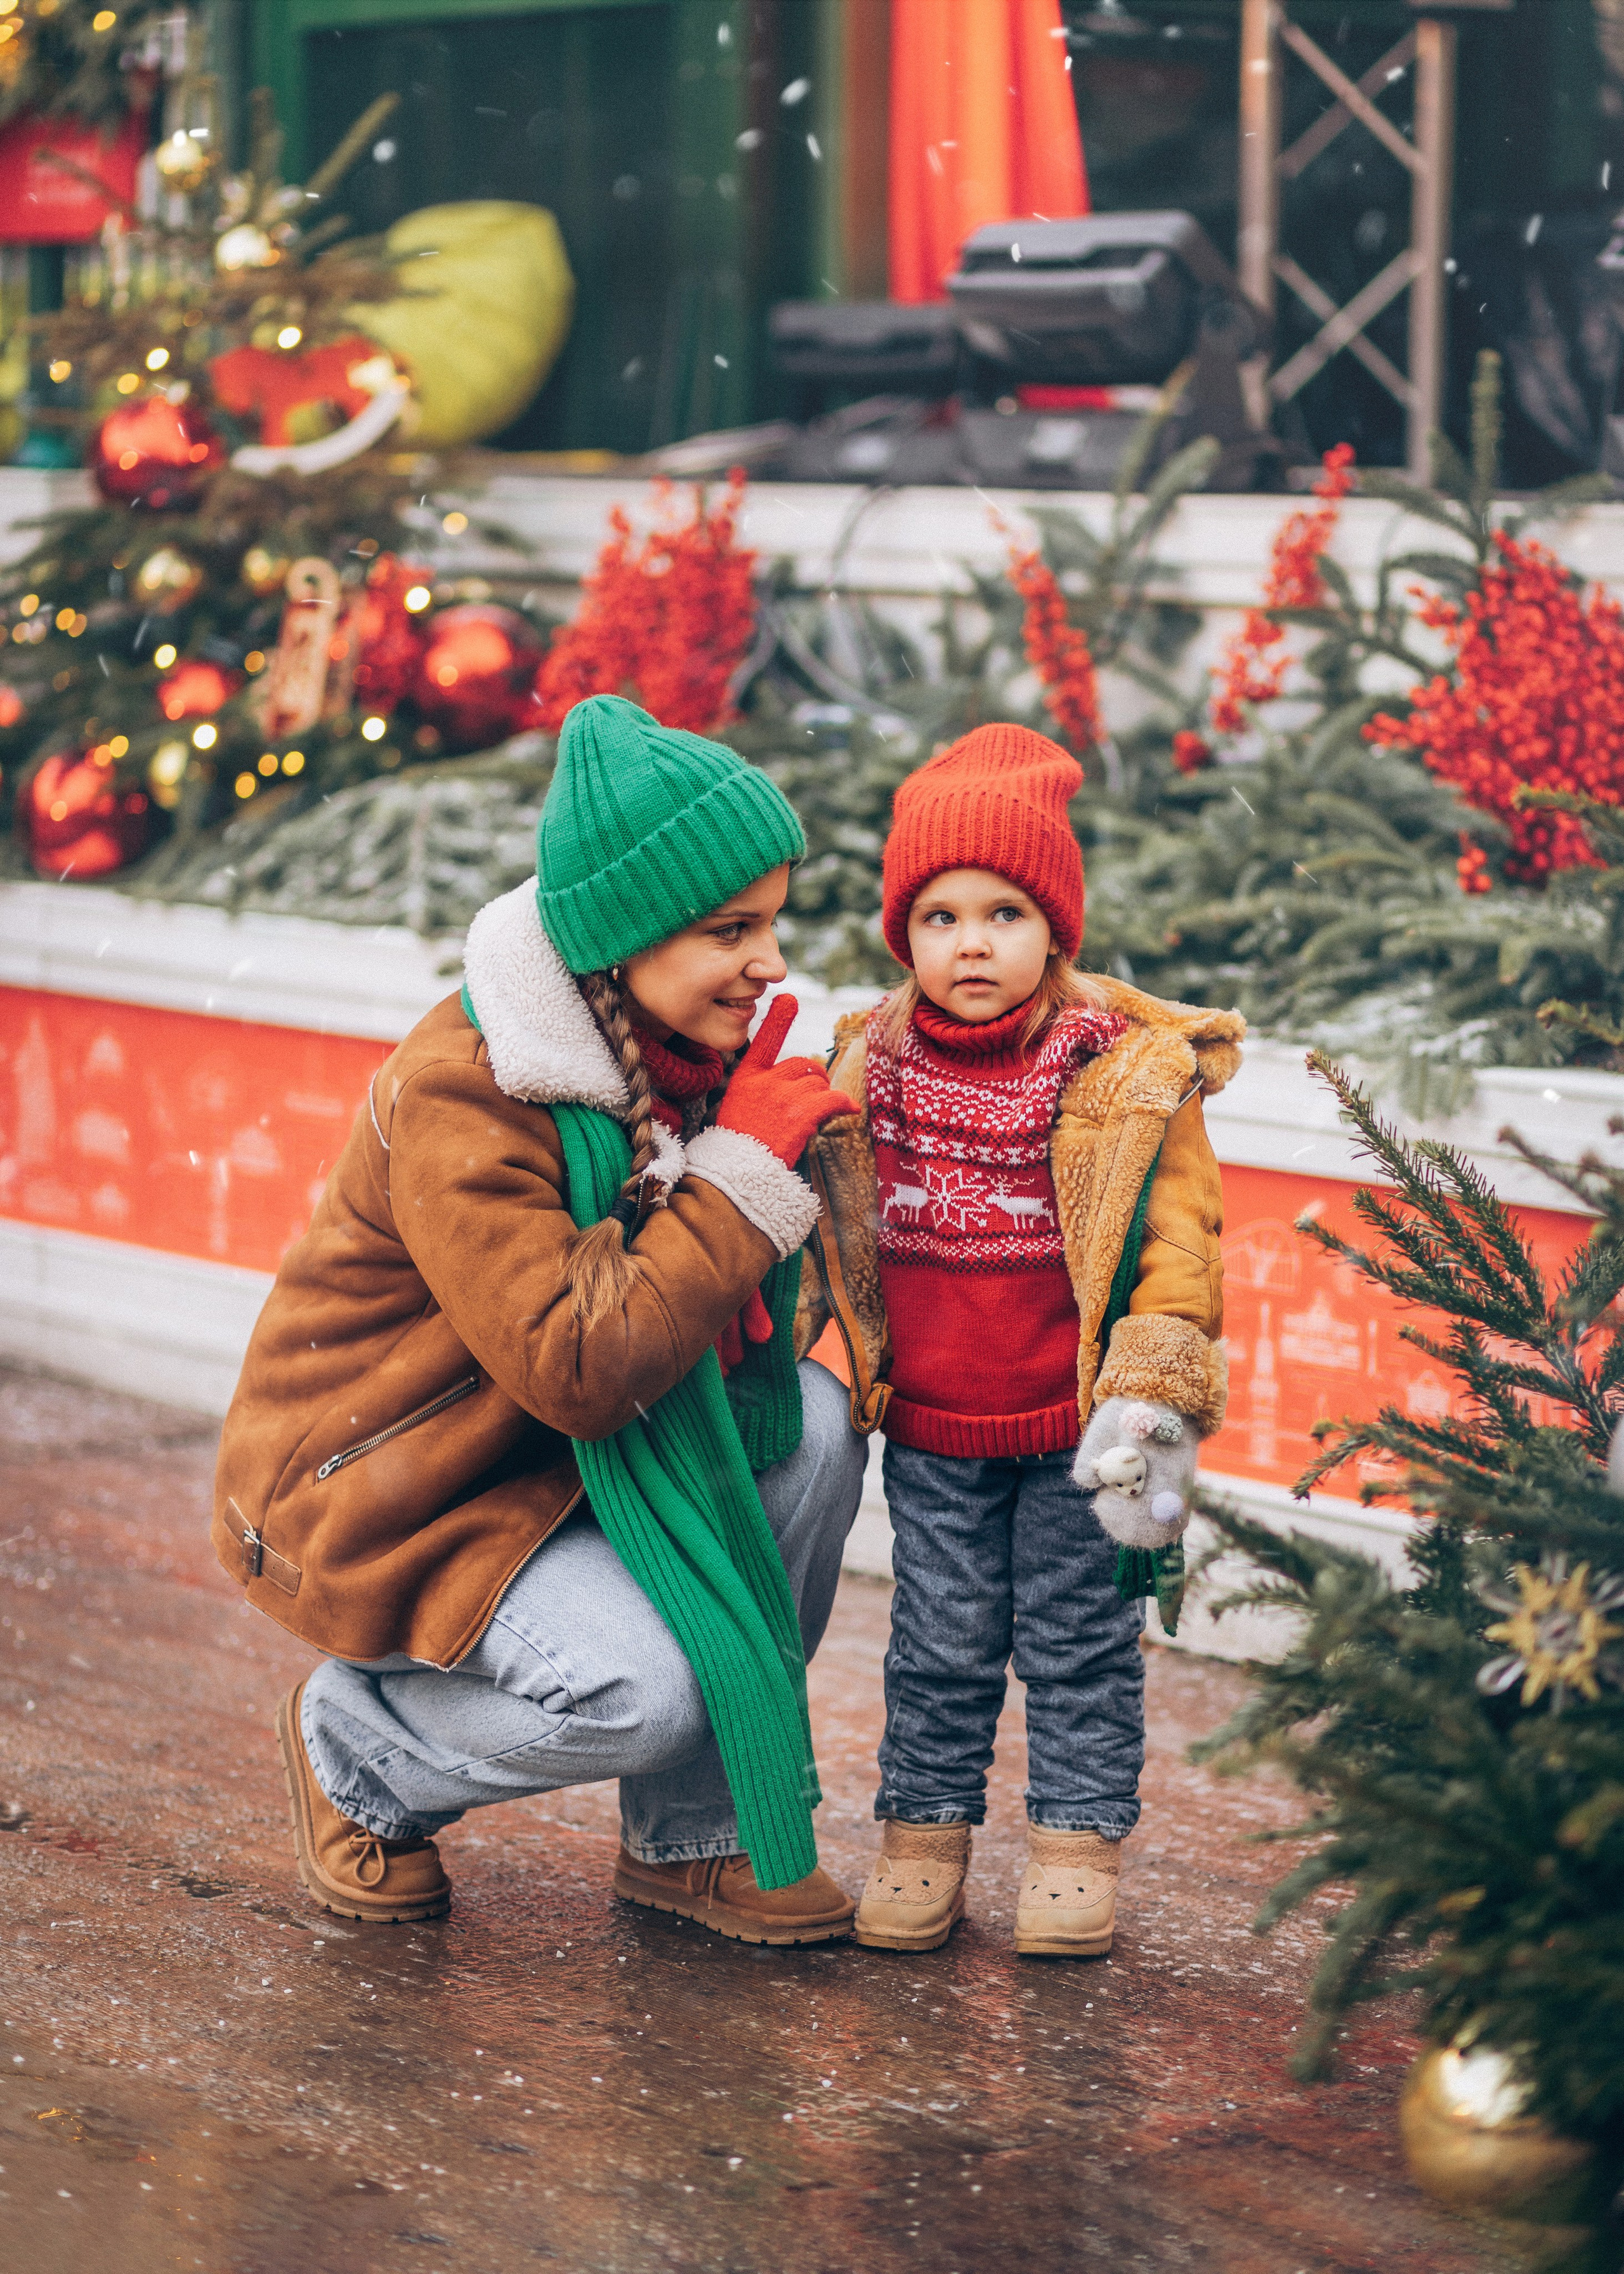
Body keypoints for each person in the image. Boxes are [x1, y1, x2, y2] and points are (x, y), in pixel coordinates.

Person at [213, 694, 866, 1943]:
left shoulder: (675, 1053)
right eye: (730, 930)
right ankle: (358, 1749)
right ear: (621, 938)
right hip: (404, 1493)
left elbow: (706, 1319)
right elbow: (577, 1362)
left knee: (816, 1425)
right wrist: (735, 1180)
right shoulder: (474, 1090)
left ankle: (696, 1840)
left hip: (565, 1467)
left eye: (771, 924)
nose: (769, 961)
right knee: (643, 1690)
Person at [796, 723, 1245, 1957]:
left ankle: (1071, 1844)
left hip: (1077, 1427)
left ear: (1054, 927)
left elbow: (1176, 1246)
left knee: (1079, 1642)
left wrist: (1151, 1391)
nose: (971, 942)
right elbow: (824, 1226)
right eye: (938, 918)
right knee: (935, 1643)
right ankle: (921, 1839)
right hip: (936, 1428)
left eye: (1002, 912)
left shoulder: (1119, 1074)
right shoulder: (867, 1062)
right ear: (904, 934)